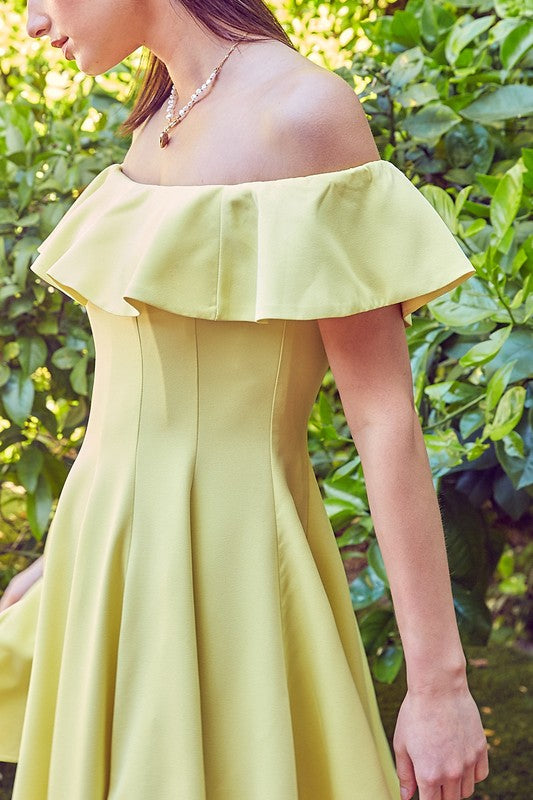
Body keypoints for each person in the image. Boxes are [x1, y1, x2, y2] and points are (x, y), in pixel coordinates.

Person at [0, 1, 490, 798]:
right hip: (107, 562)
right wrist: (65, 557)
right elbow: (140, 393)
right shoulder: (156, 115)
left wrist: (439, 687)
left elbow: (381, 418)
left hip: (235, 570)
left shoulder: (303, 113)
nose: (31, 22)